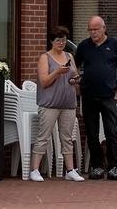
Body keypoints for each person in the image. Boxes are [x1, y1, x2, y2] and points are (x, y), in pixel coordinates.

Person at [75, 15, 117, 181]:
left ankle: (114, 167)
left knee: (111, 131)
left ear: (103, 28)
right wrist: (77, 83)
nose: (93, 33)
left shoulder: (114, 45)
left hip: (108, 95)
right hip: (88, 95)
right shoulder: (84, 46)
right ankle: (97, 166)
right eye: (90, 30)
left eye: (96, 29)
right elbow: (74, 66)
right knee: (92, 132)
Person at [29, 26, 84, 182]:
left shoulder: (69, 56)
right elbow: (44, 81)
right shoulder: (45, 57)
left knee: (67, 137)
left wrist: (75, 80)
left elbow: (75, 75)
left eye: (64, 40)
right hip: (49, 104)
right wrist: (58, 72)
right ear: (51, 41)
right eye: (58, 40)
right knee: (43, 136)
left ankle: (70, 170)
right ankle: (34, 170)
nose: (61, 43)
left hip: (68, 103)